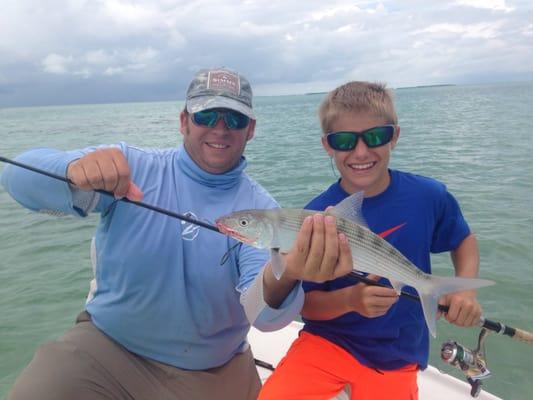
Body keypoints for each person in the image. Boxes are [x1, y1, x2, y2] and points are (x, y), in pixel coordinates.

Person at [1, 67, 352, 400]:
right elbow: (18, 180)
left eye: (234, 119)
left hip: (212, 369)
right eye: (205, 116)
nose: (220, 128)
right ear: (184, 121)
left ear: (251, 129)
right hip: (106, 349)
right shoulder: (132, 166)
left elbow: (263, 315)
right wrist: (71, 171)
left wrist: (288, 274)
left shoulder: (262, 211)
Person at [258, 81, 483, 400]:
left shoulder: (428, 197)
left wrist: (466, 290)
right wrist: (349, 300)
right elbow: (308, 307)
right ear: (327, 145)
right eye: (345, 140)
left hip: (397, 354)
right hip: (326, 343)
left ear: (395, 136)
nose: (361, 152)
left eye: (376, 136)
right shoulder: (314, 217)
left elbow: (463, 240)